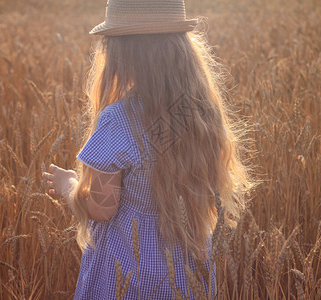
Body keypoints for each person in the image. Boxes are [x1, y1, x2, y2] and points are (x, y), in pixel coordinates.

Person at [42, 0, 253, 298]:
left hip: (130, 275)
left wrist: (69, 186)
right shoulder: (201, 112)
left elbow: (102, 210)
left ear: (123, 54)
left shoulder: (118, 120)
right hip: (186, 272)